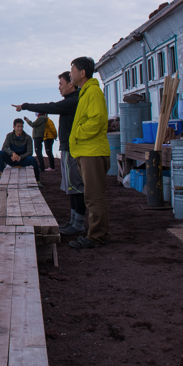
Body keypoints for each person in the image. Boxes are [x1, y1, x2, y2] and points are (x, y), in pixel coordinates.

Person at [13, 72, 84, 236]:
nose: (59, 87)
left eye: (61, 84)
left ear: (70, 84)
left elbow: (49, 107)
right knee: (71, 187)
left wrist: (25, 105)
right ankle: (74, 221)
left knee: (76, 187)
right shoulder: (71, 101)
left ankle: (78, 224)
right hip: (68, 147)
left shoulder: (73, 101)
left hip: (73, 148)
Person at [67, 56, 111, 250]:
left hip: (92, 152)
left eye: (72, 70)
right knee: (92, 196)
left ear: (82, 73)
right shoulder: (86, 92)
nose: (70, 74)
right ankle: (98, 233)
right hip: (86, 151)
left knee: (93, 197)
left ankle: (96, 236)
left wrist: (76, 133)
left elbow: (97, 120)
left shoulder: (92, 92)